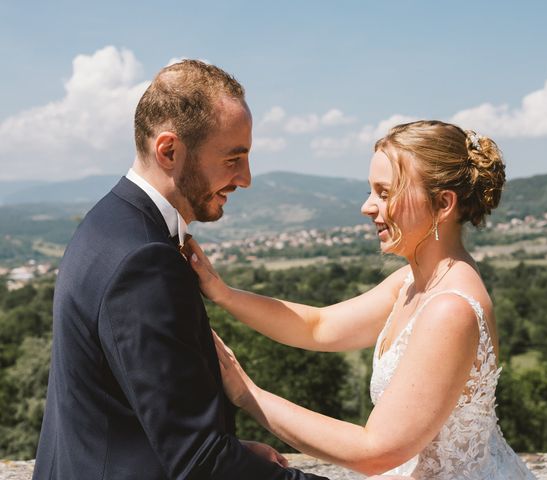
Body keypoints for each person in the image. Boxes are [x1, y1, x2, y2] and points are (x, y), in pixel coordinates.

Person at [188, 120, 537, 479]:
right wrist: (223, 294)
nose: (367, 207)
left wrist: (248, 394)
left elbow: (375, 451)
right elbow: (318, 327)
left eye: (385, 193)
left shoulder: (450, 309)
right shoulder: (412, 282)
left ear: (443, 203)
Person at [33, 60, 328, 480]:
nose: (245, 178)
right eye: (233, 158)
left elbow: (128, 410)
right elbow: (199, 462)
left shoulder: (111, 223)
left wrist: (234, 449)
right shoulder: (143, 259)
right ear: (169, 150)